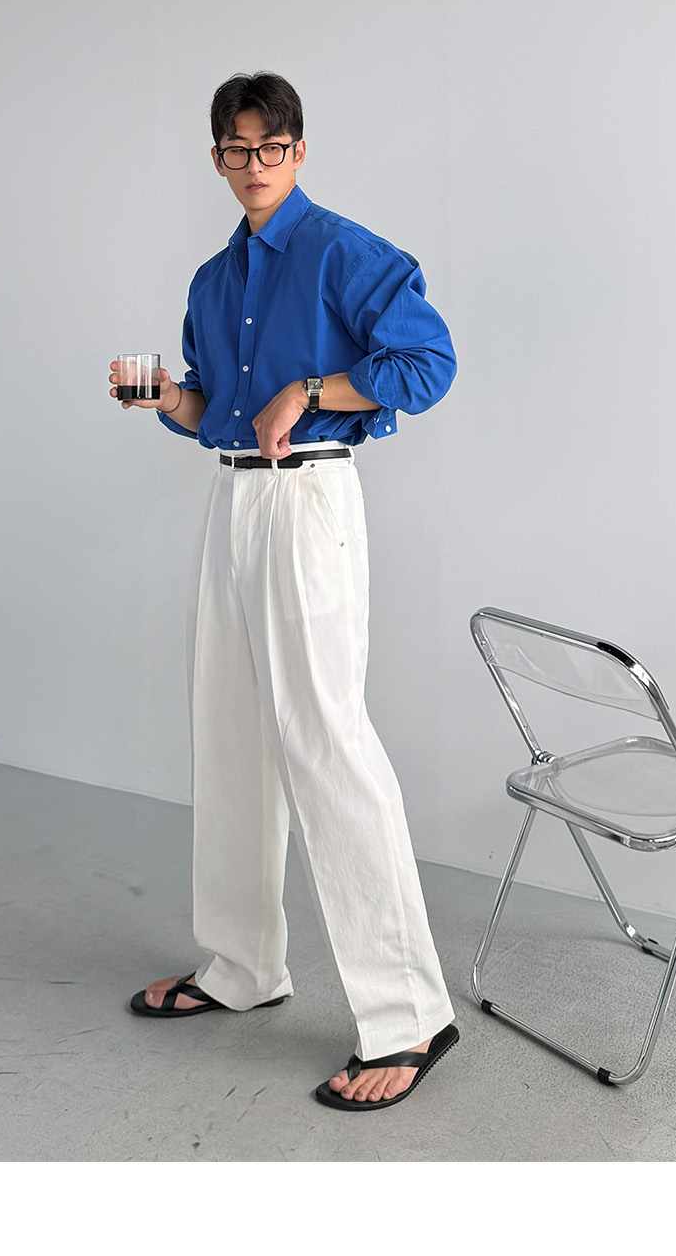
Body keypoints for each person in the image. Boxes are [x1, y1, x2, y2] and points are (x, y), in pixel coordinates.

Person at [113, 60, 460, 1108]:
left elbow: (428, 364)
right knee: (228, 732)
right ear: (217, 157)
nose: (254, 163)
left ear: (298, 150)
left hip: (309, 501)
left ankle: (409, 1012)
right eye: (237, 147)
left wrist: (309, 388)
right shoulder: (213, 281)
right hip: (233, 501)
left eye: (271, 146)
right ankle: (242, 965)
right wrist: (163, 396)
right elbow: (212, 408)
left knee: (325, 738)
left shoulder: (346, 251)